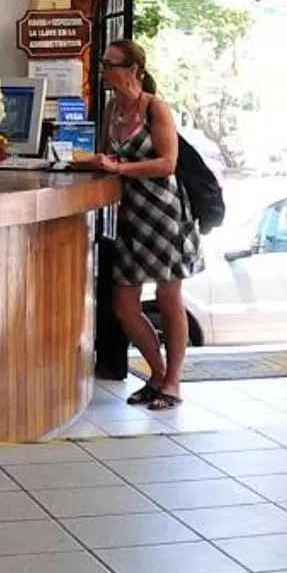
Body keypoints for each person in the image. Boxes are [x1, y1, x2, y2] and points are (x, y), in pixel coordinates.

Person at [93, 39, 202, 409]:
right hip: (132, 214)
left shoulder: (155, 107)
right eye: (104, 63)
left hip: (165, 213)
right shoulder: (112, 109)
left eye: (111, 64)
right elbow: (113, 154)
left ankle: (173, 382)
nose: (105, 70)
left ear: (133, 69)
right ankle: (155, 373)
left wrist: (120, 168)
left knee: (169, 297)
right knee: (124, 303)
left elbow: (167, 163)